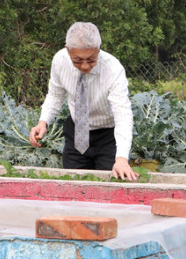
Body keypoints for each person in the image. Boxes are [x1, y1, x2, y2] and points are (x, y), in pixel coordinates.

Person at [29, 22, 139, 181]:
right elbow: (55, 95)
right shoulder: (60, 61)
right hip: (76, 135)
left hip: (107, 137)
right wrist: (43, 122)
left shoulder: (114, 70)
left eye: (92, 59)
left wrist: (121, 158)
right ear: (68, 49)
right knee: (73, 186)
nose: (86, 66)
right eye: (78, 60)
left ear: (99, 49)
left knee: (107, 188)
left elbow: (122, 114)